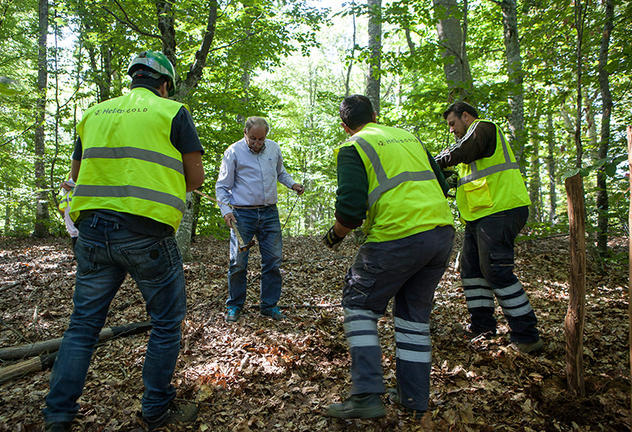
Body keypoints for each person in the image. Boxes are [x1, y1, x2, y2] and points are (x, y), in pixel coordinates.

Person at [43, 50, 205, 432]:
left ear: (132, 78)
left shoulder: (94, 114)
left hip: (93, 233)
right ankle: (155, 410)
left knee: (82, 326)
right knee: (166, 323)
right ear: (164, 84)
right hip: (146, 234)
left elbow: (76, 174)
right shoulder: (171, 112)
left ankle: (58, 416)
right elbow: (195, 179)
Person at [323, 95, 454, 424]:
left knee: (358, 303)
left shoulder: (353, 146)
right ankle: (414, 399)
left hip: (398, 235)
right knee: (412, 317)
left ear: (344, 125)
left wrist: (334, 236)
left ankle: (366, 395)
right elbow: (441, 183)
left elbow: (350, 211)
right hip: (440, 233)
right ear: (376, 115)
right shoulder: (409, 137)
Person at [435, 101, 542, 354]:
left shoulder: (484, 128)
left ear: (466, 116)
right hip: (479, 217)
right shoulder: (468, 150)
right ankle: (482, 327)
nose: (451, 130)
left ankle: (527, 335)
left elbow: (464, 151)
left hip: (502, 211)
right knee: (472, 271)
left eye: (453, 123)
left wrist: (434, 162)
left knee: (496, 270)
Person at [215, 117, 304, 322]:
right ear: (245, 133)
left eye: (261, 139)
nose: (257, 143)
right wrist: (225, 211)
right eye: (253, 138)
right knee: (238, 262)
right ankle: (235, 305)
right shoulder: (233, 152)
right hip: (241, 213)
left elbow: (280, 173)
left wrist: (293, 185)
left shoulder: (273, 149)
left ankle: (269, 305)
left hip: (269, 212)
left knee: (273, 260)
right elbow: (222, 186)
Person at [57, 176, 79, 249]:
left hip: (78, 204)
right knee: (72, 230)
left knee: (79, 228)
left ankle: (81, 252)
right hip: (68, 205)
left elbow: (83, 187)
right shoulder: (68, 174)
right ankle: (76, 253)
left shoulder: (83, 170)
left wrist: (71, 187)